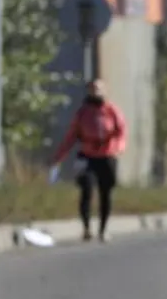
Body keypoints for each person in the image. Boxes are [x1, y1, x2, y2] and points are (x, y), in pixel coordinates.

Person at [49, 79, 126, 243]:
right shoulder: (83, 112)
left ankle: (103, 229)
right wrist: (59, 156)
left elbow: (121, 132)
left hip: (107, 155)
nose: (95, 92)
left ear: (105, 91)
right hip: (87, 156)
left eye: (98, 89)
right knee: (86, 190)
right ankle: (86, 228)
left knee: (106, 192)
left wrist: (117, 148)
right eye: (92, 89)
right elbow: (71, 136)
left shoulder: (112, 110)